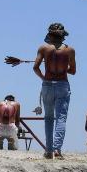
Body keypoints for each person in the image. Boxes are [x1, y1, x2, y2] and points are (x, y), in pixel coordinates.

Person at [33, 23, 76, 159]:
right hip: (62, 85)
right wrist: (64, 69)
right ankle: (57, 149)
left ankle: (48, 150)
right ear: (63, 36)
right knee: (61, 118)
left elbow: (35, 67)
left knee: (49, 118)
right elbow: (73, 71)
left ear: (50, 35)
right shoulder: (70, 50)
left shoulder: (43, 48)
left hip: (47, 85)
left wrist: (44, 78)